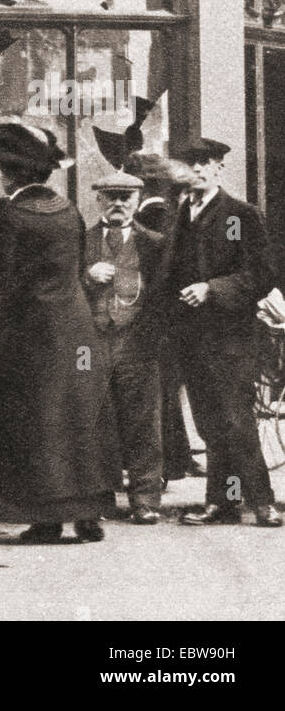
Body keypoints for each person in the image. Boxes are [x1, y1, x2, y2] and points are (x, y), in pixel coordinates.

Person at [0, 122, 111, 544]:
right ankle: (89, 512)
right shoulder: (69, 210)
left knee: (38, 421)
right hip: (76, 326)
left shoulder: (12, 217)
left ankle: (47, 518)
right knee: (79, 416)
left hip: (31, 332)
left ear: (9, 174)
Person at [164, 138, 281, 527]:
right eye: (191, 163)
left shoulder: (236, 215)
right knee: (211, 424)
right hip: (193, 337)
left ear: (219, 169)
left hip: (230, 338)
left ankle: (262, 502)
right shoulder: (183, 212)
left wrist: (211, 289)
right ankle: (224, 501)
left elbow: (260, 274)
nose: (197, 170)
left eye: (206, 163)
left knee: (236, 421)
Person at [83, 169, 166, 525]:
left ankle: (145, 499)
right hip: (91, 344)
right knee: (95, 421)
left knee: (143, 424)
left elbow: (164, 297)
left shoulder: (155, 243)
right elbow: (62, 285)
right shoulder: (81, 241)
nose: (118, 203)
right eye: (111, 196)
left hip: (137, 344)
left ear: (136, 199)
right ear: (98, 199)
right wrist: (86, 276)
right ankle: (99, 499)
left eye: (125, 197)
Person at [125, 151, 202, 483]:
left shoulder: (151, 215)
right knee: (167, 391)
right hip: (174, 314)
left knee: (160, 393)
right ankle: (176, 459)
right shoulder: (169, 212)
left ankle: (170, 463)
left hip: (155, 314)